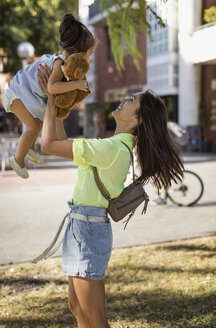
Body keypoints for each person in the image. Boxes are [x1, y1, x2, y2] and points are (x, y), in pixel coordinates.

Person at [38, 65, 184, 328]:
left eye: (130, 101)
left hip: (88, 230)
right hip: (81, 226)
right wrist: (61, 100)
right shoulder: (112, 147)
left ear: (138, 119)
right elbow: (59, 139)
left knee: (95, 318)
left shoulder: (111, 149)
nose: (123, 101)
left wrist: (52, 94)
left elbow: (48, 144)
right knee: (76, 307)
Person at [3, 13, 97, 179]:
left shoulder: (62, 64)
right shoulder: (59, 63)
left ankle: (30, 149)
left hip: (24, 93)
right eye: (89, 54)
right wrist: (75, 85)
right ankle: (18, 159)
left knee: (38, 125)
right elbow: (52, 87)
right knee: (33, 127)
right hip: (17, 93)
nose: (89, 59)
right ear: (78, 52)